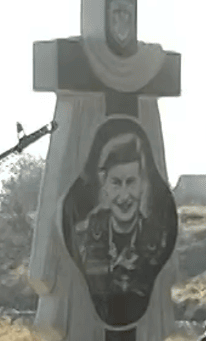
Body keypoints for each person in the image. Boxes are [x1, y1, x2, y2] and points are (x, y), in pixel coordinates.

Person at [68, 128, 173, 326]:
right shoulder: (82, 236)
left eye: (131, 182)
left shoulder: (159, 239)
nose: (124, 196)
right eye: (116, 183)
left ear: (142, 185)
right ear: (105, 185)